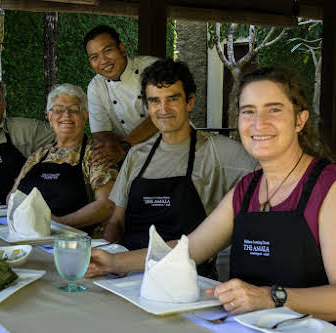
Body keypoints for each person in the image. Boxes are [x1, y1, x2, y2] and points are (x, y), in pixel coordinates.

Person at [86, 67, 336, 321]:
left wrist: (272, 297)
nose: (259, 123)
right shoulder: (247, 188)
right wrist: (113, 263)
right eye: (248, 111)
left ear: (300, 120)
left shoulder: (328, 187)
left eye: (274, 109)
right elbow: (190, 249)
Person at [104, 58, 255, 278]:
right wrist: (107, 258)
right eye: (155, 101)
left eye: (172, 99)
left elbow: (271, 174)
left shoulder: (219, 151)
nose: (163, 109)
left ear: (190, 101)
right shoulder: (137, 155)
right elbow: (116, 221)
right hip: (128, 274)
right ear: (147, 107)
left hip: (188, 279)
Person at [10, 84, 118, 237]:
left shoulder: (95, 153)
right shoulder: (40, 154)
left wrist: (61, 223)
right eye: (58, 110)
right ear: (49, 117)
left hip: (72, 242)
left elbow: (106, 205)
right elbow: (13, 196)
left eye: (74, 109)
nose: (66, 114)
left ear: (85, 115)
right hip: (27, 236)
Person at [84, 25, 159, 166]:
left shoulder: (152, 67)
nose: (103, 61)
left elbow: (161, 114)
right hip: (135, 156)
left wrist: (125, 147)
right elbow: (100, 132)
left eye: (107, 51)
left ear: (122, 49)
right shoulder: (95, 87)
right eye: (95, 57)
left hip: (174, 147)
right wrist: (117, 149)